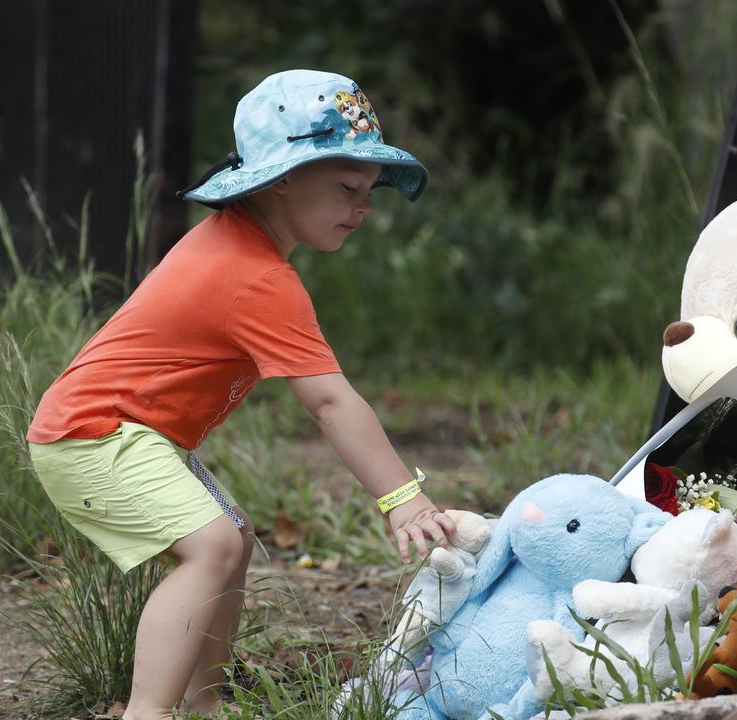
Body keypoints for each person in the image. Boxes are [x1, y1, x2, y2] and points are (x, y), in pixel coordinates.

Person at [26, 69, 455, 720]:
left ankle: (205, 706)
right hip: (94, 434)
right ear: (282, 177)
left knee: (234, 538)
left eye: (370, 192)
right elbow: (330, 402)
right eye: (346, 186)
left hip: (125, 431)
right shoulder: (253, 275)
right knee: (215, 547)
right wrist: (402, 499)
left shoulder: (241, 250)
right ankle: (148, 712)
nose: (362, 206)